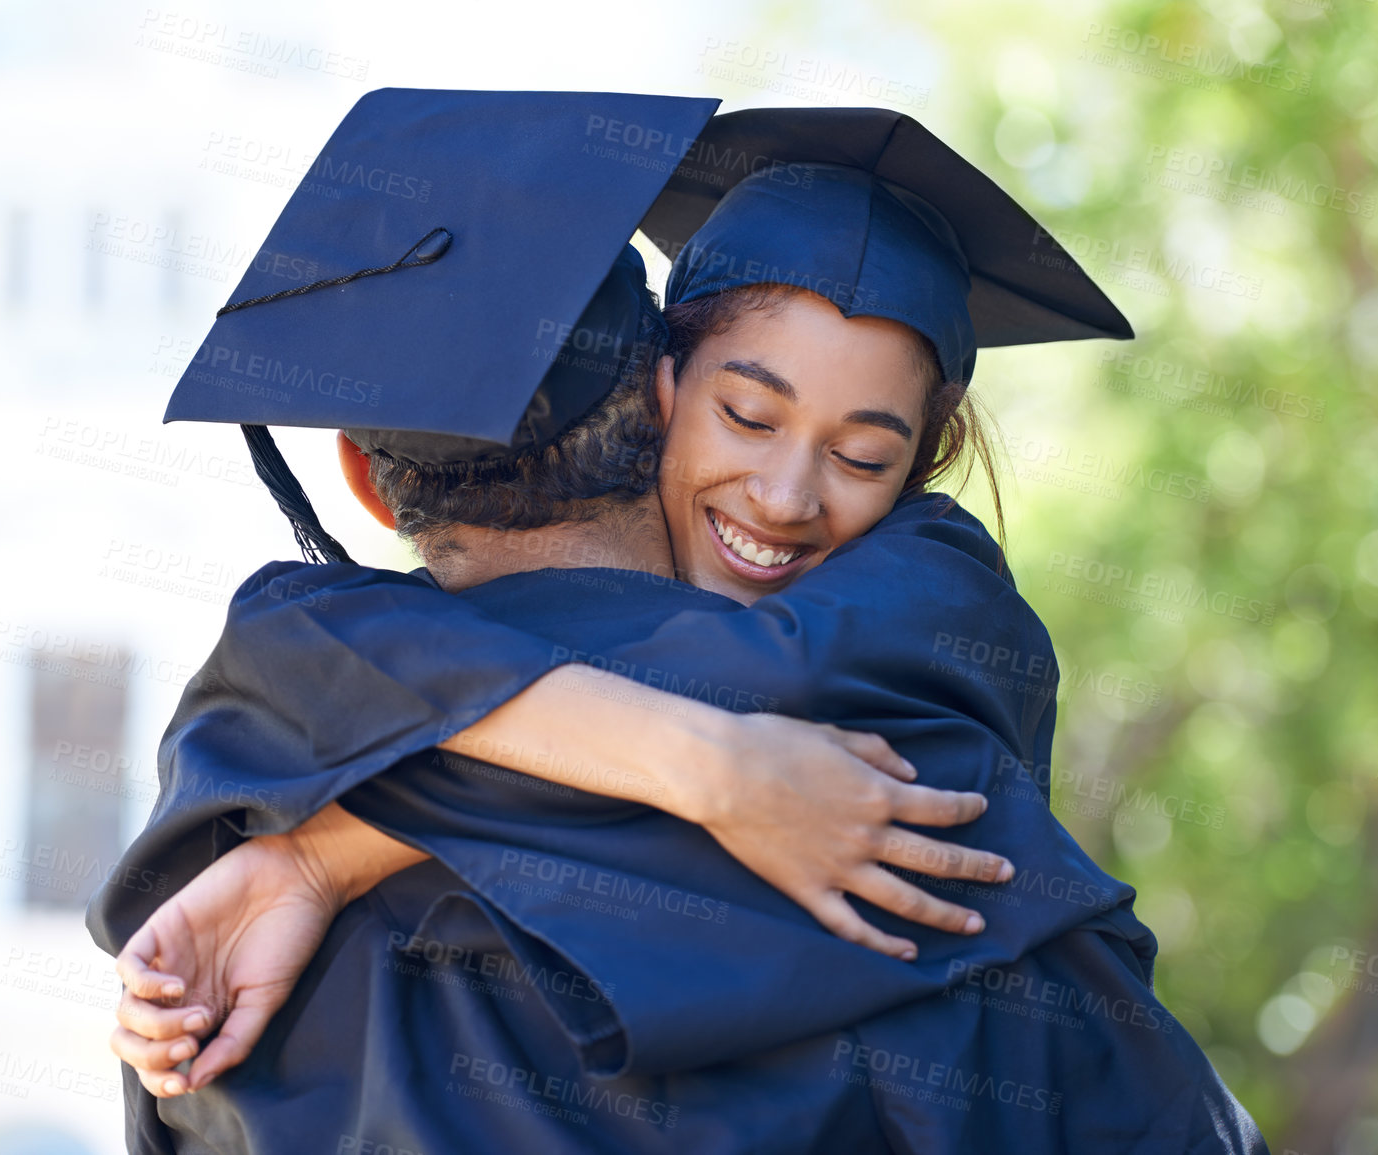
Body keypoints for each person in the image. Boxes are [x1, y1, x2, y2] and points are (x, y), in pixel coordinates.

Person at [91, 92, 1268, 1152]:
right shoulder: (928, 867)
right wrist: (711, 770)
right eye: (750, 415)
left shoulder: (225, 889)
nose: (786, 496)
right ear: (664, 397)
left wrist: (326, 846)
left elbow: (321, 652)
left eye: (864, 455)